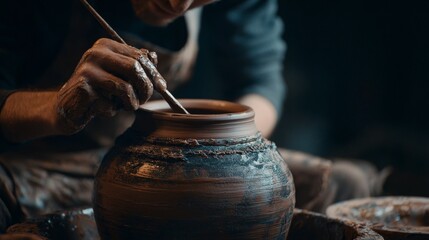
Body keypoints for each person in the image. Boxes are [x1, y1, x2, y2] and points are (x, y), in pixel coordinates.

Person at [0, 0, 285, 231]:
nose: (178, 4)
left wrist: (220, 151)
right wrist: (56, 107)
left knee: (320, 179)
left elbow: (260, 82)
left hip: (162, 165)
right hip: (32, 164)